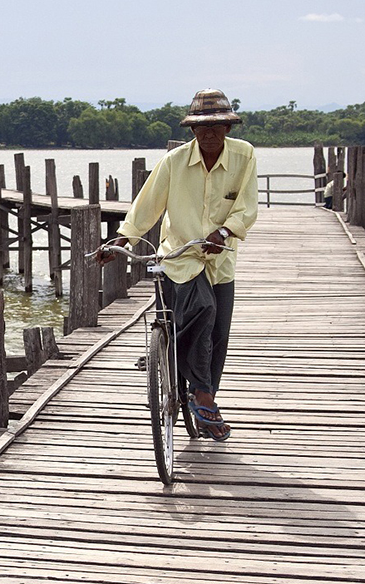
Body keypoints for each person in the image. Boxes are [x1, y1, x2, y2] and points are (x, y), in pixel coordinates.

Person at [104, 88, 257, 441]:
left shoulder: (243, 155)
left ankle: (205, 398)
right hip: (181, 255)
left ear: (228, 127)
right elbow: (148, 205)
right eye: (201, 126)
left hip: (221, 257)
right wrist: (122, 239)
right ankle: (201, 395)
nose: (209, 132)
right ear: (191, 130)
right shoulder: (173, 162)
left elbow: (247, 206)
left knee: (219, 335)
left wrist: (225, 231)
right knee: (202, 308)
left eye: (217, 125)